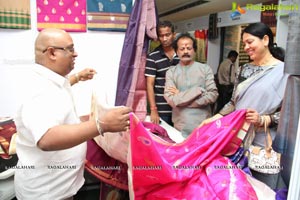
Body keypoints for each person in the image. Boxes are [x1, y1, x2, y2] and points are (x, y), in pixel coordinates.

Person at [13, 28, 132, 200]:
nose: (75, 54)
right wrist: (101, 125)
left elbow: (57, 94)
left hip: (59, 187)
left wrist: (77, 77)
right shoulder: (38, 89)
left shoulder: (51, 80)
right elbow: (46, 138)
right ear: (52, 53)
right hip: (47, 193)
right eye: (69, 49)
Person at [199, 22, 289, 190]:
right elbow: (233, 102)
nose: (246, 47)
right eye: (244, 43)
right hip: (237, 139)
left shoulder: (285, 72)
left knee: (262, 188)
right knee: (238, 186)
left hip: (263, 142)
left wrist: (265, 118)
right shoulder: (243, 70)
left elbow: (290, 112)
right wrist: (215, 118)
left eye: (250, 42)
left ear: (265, 39)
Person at [164, 32, 218, 138]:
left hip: (203, 126)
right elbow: (171, 100)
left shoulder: (205, 69)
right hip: (180, 127)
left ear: (194, 50)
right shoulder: (171, 72)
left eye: (189, 48)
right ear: (176, 51)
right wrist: (197, 91)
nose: (185, 52)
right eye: (182, 49)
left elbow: (213, 95)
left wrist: (181, 96)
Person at [145, 20, 180, 126]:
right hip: (161, 110)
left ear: (174, 35)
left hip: (180, 108)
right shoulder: (153, 57)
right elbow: (149, 85)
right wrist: (153, 109)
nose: (164, 39)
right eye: (161, 36)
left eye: (167, 35)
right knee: (163, 139)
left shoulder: (182, 54)